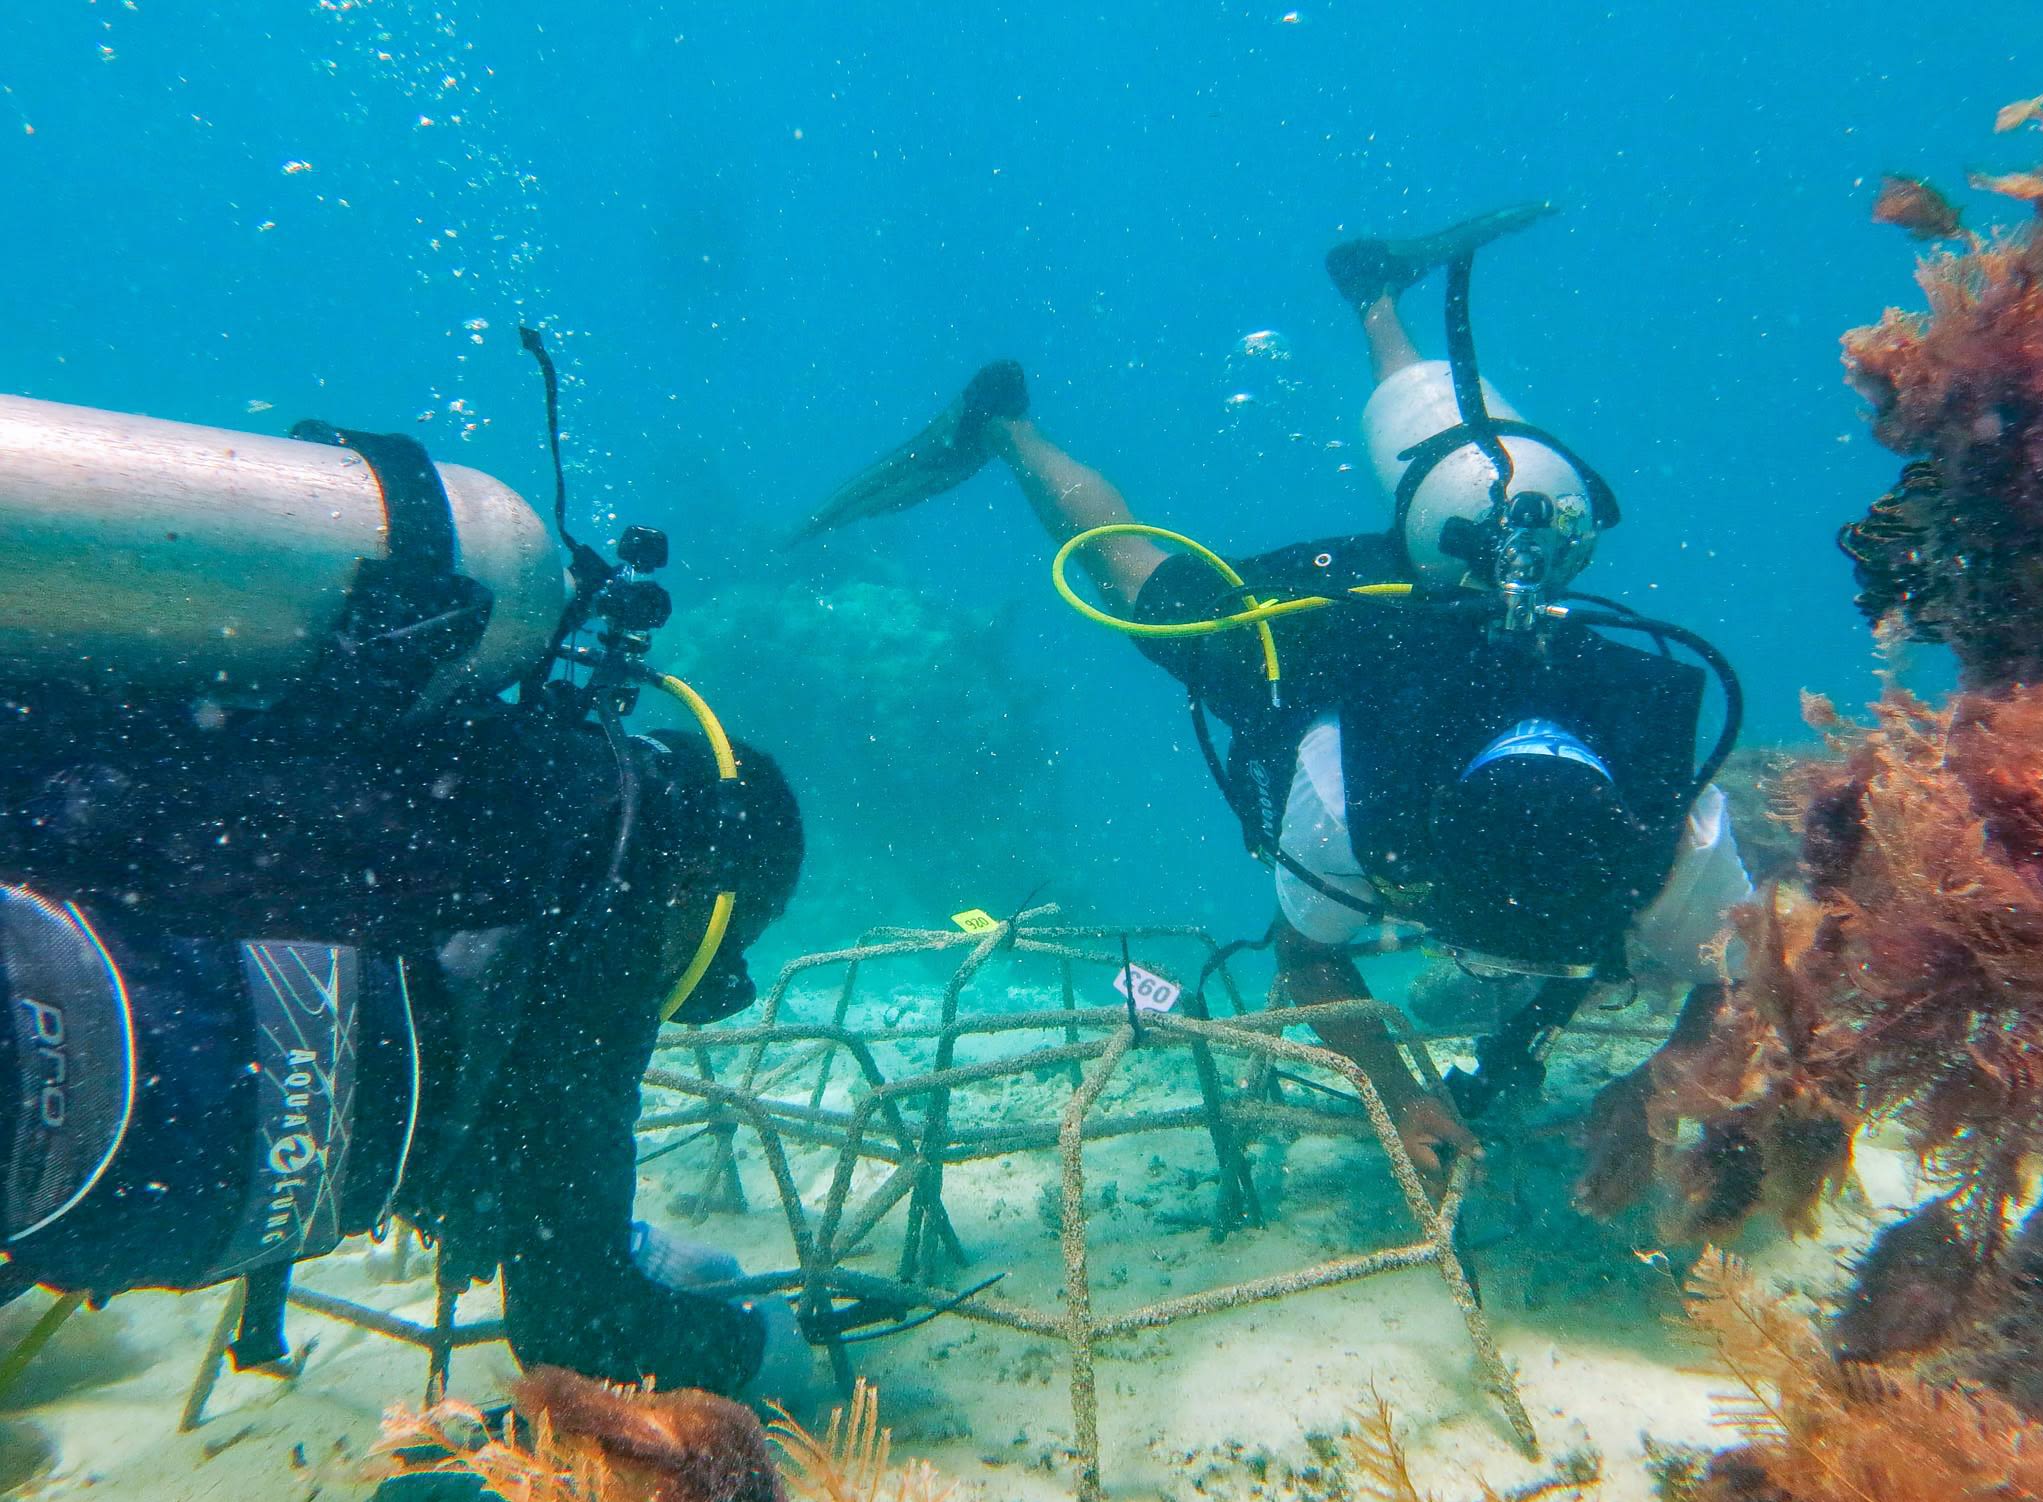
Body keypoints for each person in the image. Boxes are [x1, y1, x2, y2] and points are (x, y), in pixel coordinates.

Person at [797, 206, 1751, 1181]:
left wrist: (1656, 1088)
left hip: (1450, 577)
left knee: (1485, 500)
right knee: (1133, 578)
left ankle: (1375, 296)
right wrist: (1397, 1089)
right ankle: (1001, 425)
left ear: (1630, 847)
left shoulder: (1674, 827)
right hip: (1332, 647)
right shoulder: (1344, 801)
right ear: (1421, 843)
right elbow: (1306, 958)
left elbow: (1745, 982)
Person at [0, 402, 811, 1404]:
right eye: (734, 936)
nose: (700, 976)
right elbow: (583, 1329)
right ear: (702, 878)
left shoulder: (483, 773)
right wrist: (758, 1344)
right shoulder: (614, 880)